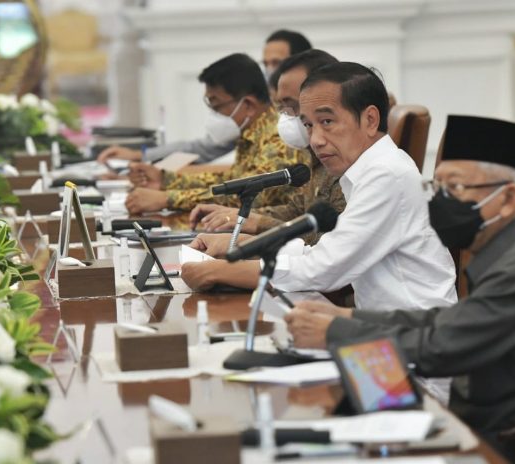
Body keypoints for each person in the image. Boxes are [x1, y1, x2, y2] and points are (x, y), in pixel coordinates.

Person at [283, 115, 515, 463]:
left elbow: (442, 347)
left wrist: (336, 331)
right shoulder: (514, 247)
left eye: (455, 188)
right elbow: (449, 321)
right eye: (438, 187)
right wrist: (347, 316)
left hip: (509, 441)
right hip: (478, 422)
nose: (441, 202)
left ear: (507, 199)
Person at [181, 62, 456, 314]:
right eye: (309, 125)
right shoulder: (370, 169)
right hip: (387, 329)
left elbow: (323, 269)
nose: (316, 140)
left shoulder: (387, 175)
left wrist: (218, 271)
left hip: (416, 343)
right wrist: (241, 244)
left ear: (370, 120)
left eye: (327, 122)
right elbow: (322, 252)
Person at [189, 49, 346, 245]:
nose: (286, 117)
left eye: (292, 106)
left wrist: (255, 228)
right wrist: (242, 217)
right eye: (281, 107)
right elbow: (297, 209)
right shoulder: (315, 154)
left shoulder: (344, 162)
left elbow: (326, 243)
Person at [124, 53, 308, 214]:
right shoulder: (251, 133)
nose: (214, 115)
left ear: (248, 105)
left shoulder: (277, 139)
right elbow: (230, 181)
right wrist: (165, 180)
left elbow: (248, 197)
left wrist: (167, 198)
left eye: (217, 106)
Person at [98, 29, 312, 165]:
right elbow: (203, 150)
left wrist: (166, 189)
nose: (269, 72)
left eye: (276, 63)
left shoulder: (293, 117)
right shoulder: (252, 113)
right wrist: (145, 158)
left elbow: (249, 188)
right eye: (265, 64)